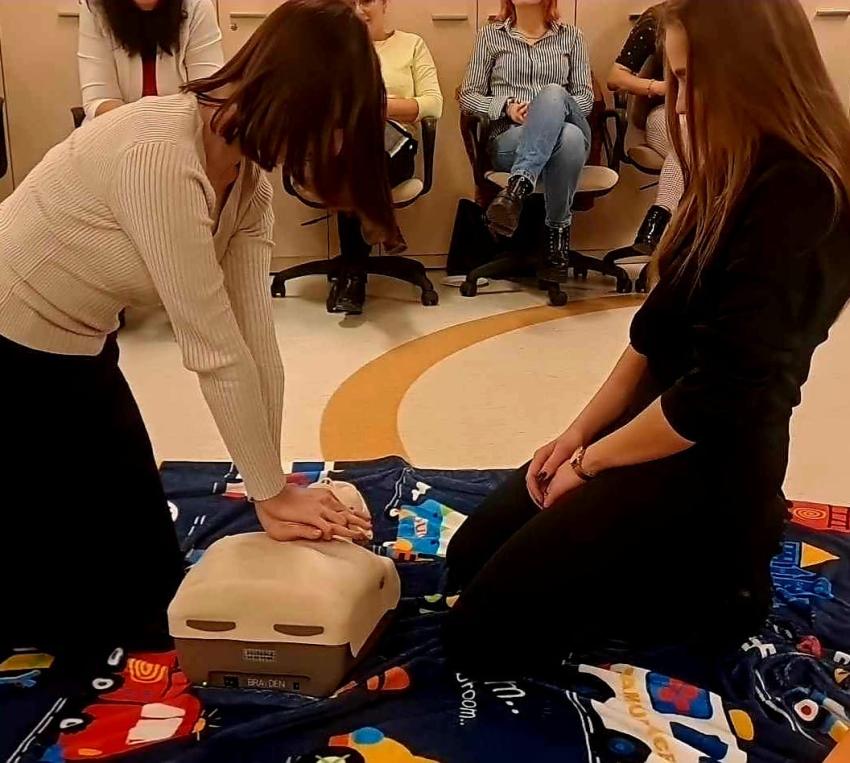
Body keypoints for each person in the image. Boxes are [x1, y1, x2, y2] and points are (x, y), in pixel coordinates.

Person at [445, 0, 850, 678]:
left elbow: (717, 397)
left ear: (749, 73)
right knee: (468, 557)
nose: (677, 105)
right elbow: (650, 338)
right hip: (653, 431)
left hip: (708, 468)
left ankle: (711, 586)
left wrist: (591, 466)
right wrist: (575, 437)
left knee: (481, 638)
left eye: (689, 81)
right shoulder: (729, 169)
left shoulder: (803, 195)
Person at [0, 0, 391, 657]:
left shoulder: (247, 182)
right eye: (329, 127)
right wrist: (268, 493)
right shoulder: (161, 155)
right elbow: (213, 350)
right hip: (11, 346)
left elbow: (255, 340)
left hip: (80, 345)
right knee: (63, 613)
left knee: (151, 592)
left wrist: (274, 483)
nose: (327, 149)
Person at [459, 0, 593, 281]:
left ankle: (517, 189)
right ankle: (557, 240)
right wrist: (505, 106)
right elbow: (468, 96)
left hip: (568, 125)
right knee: (568, 138)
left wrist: (549, 111)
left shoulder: (572, 37)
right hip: (511, 139)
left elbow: (585, 98)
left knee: (554, 96)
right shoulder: (490, 36)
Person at [328, 0, 444, 315]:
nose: (359, 9)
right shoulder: (334, 49)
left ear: (384, 3)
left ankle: (354, 278)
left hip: (395, 149)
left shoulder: (412, 45)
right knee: (353, 150)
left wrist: (377, 107)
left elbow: (433, 104)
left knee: (357, 156)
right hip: (342, 148)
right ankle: (378, 220)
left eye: (366, 0)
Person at [607, 2, 684, 256]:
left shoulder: (729, 24)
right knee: (691, 142)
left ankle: (655, 226)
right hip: (665, 113)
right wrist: (659, 87)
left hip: (711, 122)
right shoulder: (659, 18)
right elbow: (615, 78)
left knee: (691, 150)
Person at [78, 0, 224, 121]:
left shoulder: (197, 5)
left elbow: (209, 94)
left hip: (184, 132)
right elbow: (99, 100)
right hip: (116, 131)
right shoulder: (95, 7)